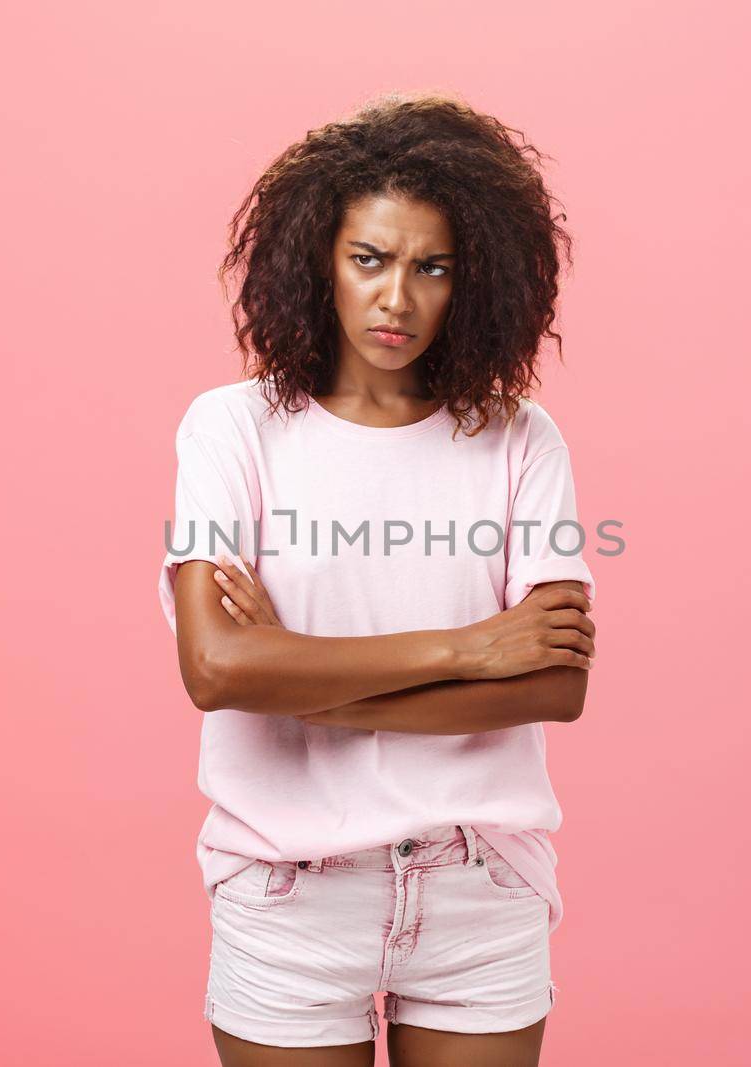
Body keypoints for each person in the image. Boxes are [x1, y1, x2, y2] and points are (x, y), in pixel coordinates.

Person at [157, 92, 599, 1067]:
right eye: (369, 260)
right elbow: (219, 667)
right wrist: (469, 648)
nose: (395, 299)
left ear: (471, 279)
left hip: (478, 884)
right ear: (320, 261)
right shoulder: (232, 429)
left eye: (430, 267)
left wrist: (303, 680)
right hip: (289, 887)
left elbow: (554, 684)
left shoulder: (520, 440)